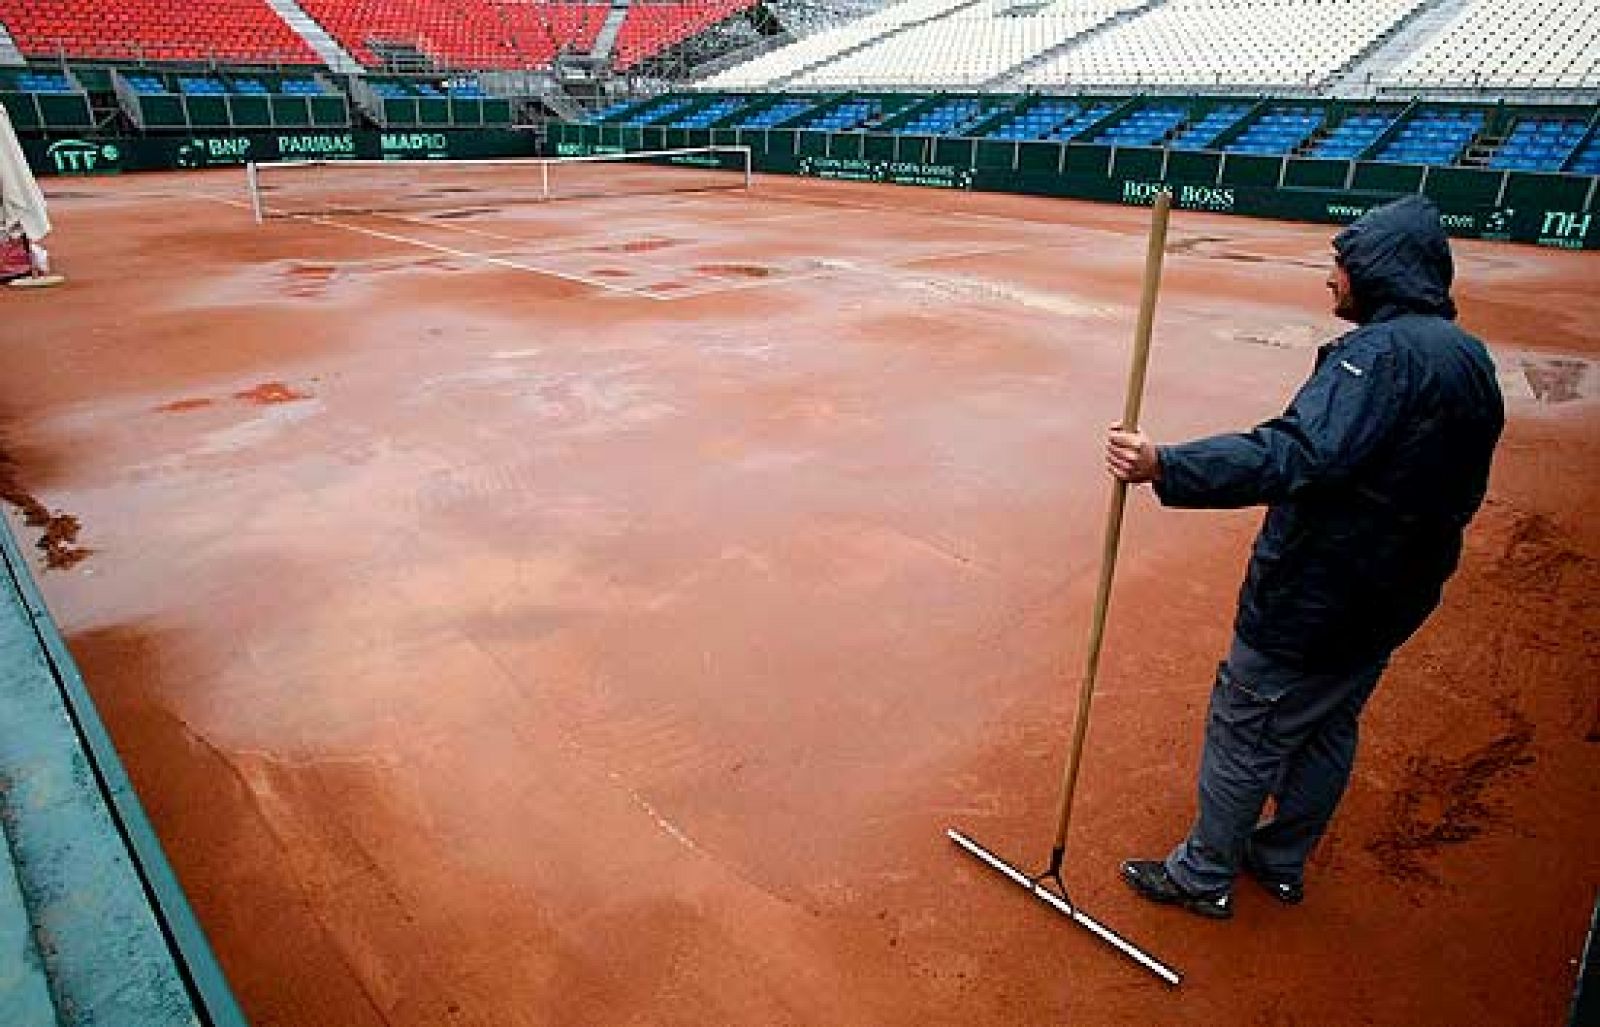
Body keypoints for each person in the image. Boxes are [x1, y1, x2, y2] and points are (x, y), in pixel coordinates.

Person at [1105, 195, 1504, 919]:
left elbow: (1297, 454)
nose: (1331, 280)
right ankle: (1281, 859)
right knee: (1325, 724)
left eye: (1341, 266)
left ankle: (1203, 876)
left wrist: (1165, 463)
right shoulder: (1468, 356)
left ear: (1378, 272)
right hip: (1395, 593)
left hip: (1321, 593)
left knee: (1245, 723)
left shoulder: (1379, 356)